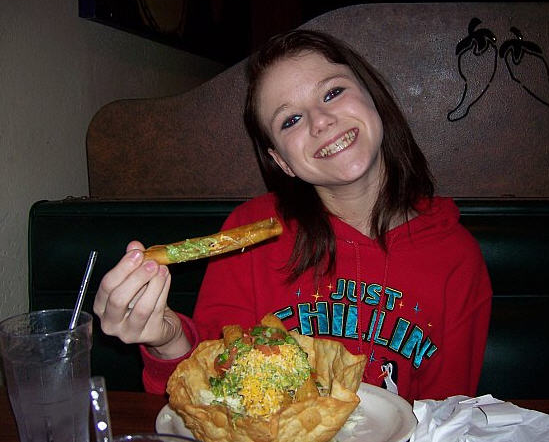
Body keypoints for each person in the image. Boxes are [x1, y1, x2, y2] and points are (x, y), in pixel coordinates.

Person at [93, 29, 492, 402]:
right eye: (291, 120)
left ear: (373, 98)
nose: (321, 121)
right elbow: (209, 393)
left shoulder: (455, 256)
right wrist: (167, 339)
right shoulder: (248, 235)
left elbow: (450, 420)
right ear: (281, 161)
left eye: (333, 92)